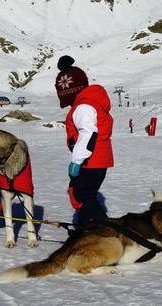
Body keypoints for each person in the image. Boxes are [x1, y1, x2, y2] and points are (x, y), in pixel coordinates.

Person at [55, 55, 114, 225]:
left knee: (81, 194)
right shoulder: (89, 102)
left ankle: (98, 229)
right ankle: (90, 226)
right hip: (98, 159)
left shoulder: (83, 106)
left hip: (91, 160)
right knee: (86, 195)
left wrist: (76, 161)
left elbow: (88, 134)